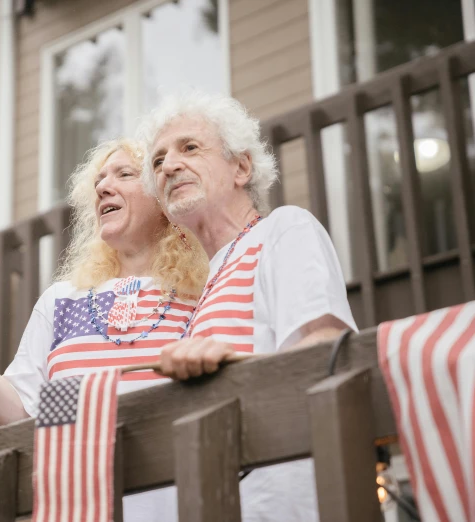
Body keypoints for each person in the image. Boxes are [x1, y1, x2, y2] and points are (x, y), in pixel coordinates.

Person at [0, 138, 209, 521]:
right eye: (99, 182)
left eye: (125, 175)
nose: (104, 187)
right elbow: (17, 413)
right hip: (76, 507)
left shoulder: (204, 290)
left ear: (164, 195)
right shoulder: (61, 299)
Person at [138, 91, 358, 521]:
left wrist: (232, 366)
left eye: (190, 147)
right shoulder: (203, 294)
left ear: (241, 167)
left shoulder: (283, 230)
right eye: (158, 160)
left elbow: (329, 349)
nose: (169, 165)